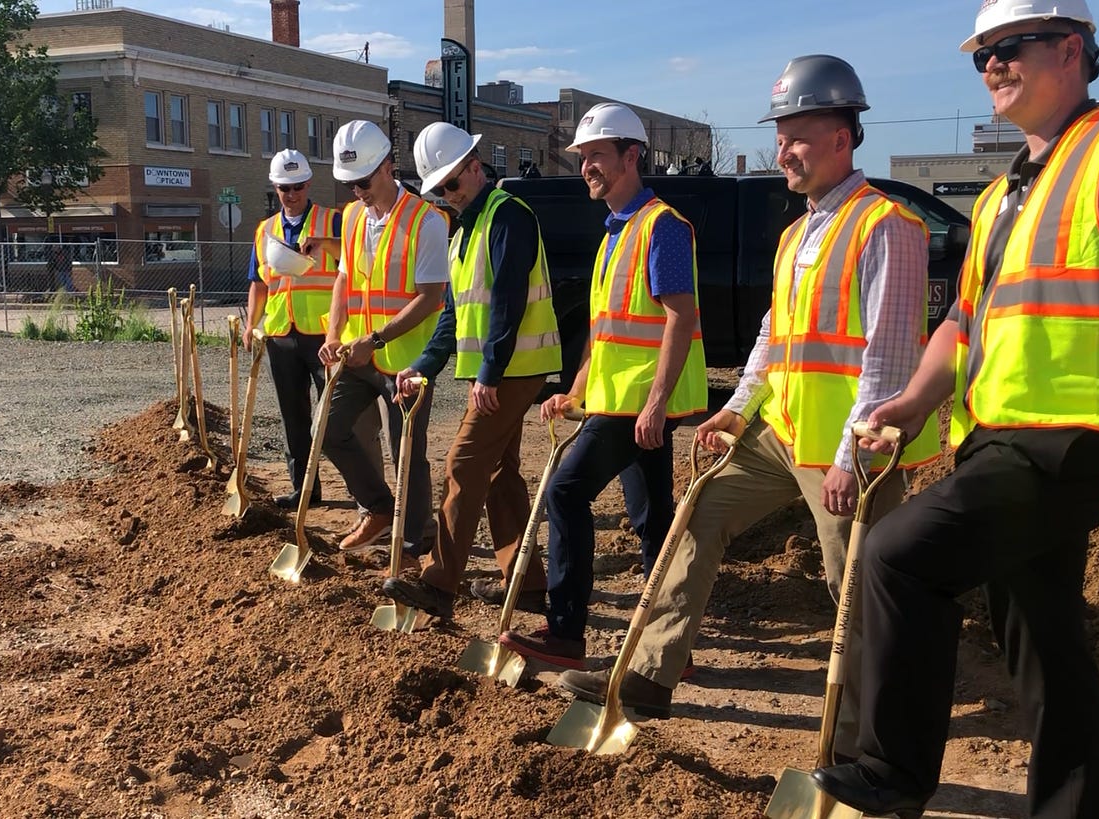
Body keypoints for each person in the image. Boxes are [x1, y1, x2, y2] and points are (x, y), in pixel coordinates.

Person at [811, 2, 1099, 817]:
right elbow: (965, 322)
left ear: (1071, 49)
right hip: (1000, 437)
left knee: (898, 555)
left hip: (1075, 437)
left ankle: (892, 773)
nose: (991, 65)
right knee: (1041, 631)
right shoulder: (1003, 195)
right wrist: (913, 401)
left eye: (1007, 47)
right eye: (980, 54)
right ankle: (1078, 803)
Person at [552, 56, 941, 747]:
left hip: (851, 449)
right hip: (783, 431)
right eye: (781, 136)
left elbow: (888, 357)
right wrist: (739, 406)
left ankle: (862, 738)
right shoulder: (798, 232)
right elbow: (774, 332)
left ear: (844, 138)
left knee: (853, 586)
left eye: (798, 136)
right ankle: (648, 671)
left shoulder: (887, 227)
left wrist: (853, 453)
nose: (783, 150)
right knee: (698, 515)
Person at [497, 102, 708, 669]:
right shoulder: (616, 230)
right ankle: (672, 647)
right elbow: (605, 333)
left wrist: (658, 404)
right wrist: (577, 390)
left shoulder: (660, 226)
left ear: (631, 156)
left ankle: (566, 635)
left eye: (598, 156)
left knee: (565, 491)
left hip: (641, 402)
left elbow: (680, 317)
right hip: (619, 399)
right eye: (583, 157)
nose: (588, 166)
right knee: (652, 517)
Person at [378, 122, 562, 620]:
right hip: (501, 369)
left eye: (452, 184)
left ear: (476, 168)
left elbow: (507, 301)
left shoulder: (507, 217)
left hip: (515, 369)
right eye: (438, 189)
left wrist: (490, 373)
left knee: (462, 461)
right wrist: (421, 367)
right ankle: (525, 583)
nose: (447, 195)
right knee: (499, 472)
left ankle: (439, 584)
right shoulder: (465, 234)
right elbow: (454, 319)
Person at [318, 120, 448, 556]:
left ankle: (413, 541)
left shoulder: (427, 221)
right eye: (351, 183)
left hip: (405, 362)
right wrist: (334, 333)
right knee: (328, 430)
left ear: (389, 167)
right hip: (358, 354)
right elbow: (343, 279)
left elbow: (431, 298)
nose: (358, 191)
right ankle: (376, 508)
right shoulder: (352, 217)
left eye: (365, 180)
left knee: (407, 452)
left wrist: (374, 339)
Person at [245, 148, 375, 510]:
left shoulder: (333, 221)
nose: (292, 194)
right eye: (286, 188)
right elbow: (258, 282)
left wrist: (324, 245)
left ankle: (364, 495)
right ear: (275, 187)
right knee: (294, 415)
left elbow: (354, 259)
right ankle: (304, 489)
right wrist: (251, 325)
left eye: (298, 186)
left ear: (308, 184)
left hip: (324, 335)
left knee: (336, 416)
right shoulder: (265, 230)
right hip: (281, 334)